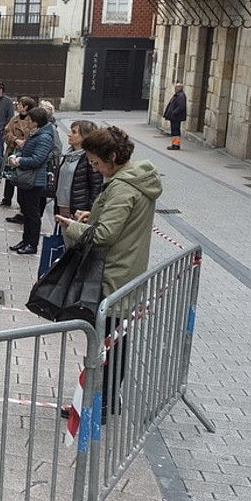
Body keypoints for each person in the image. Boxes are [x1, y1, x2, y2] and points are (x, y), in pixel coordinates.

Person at [55, 127, 162, 417]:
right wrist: (95, 214)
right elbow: (120, 222)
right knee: (115, 342)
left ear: (113, 156)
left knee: (107, 345)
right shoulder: (137, 179)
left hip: (114, 272)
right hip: (128, 269)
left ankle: (97, 404)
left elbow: (105, 235)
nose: (95, 168)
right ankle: (107, 400)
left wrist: (73, 227)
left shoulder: (122, 187)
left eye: (95, 162)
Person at [6, 106, 58, 255]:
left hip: (34, 180)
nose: (27, 122)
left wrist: (20, 160)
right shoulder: (34, 134)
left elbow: (38, 159)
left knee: (32, 214)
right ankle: (25, 240)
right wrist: (17, 155)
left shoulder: (44, 137)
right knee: (26, 212)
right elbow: (25, 148)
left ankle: (32, 244)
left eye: (29, 120)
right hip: (25, 178)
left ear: (36, 122)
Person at [54, 119, 103, 218]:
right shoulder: (69, 155)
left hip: (79, 210)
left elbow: (96, 187)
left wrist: (89, 211)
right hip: (62, 206)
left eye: (74, 132)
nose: (69, 134)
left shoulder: (89, 158)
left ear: (85, 136)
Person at [0, 96, 37, 212]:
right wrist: (16, 140)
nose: (17, 106)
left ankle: (22, 203)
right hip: (12, 150)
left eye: (20, 104)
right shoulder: (14, 119)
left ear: (26, 107)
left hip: (24, 154)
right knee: (9, 176)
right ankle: (7, 198)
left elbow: (33, 135)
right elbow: (6, 134)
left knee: (22, 177)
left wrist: (25, 143)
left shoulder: (32, 121)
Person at [164, 83, 188, 151]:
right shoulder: (178, 95)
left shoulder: (181, 96)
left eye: (177, 87)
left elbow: (181, 106)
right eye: (175, 87)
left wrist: (174, 113)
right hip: (174, 117)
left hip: (176, 117)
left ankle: (176, 145)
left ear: (180, 88)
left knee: (175, 131)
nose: (175, 88)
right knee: (174, 131)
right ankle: (174, 144)